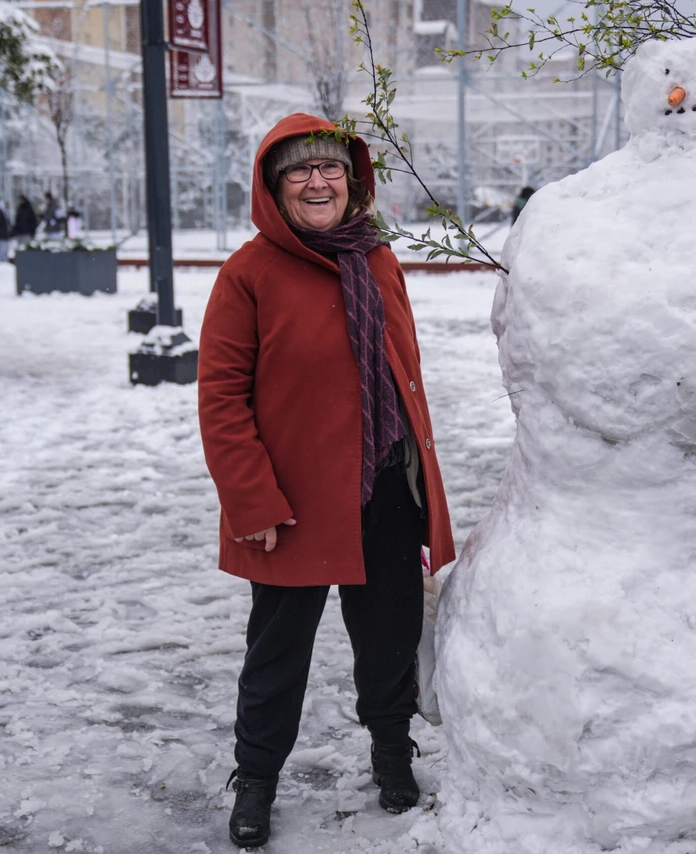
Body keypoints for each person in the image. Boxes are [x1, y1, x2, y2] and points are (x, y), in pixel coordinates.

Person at [197, 113, 456, 850]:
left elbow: (403, 376)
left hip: (383, 490)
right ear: (275, 188)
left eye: (331, 169)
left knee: (389, 640)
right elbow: (220, 398)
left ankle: (390, 752)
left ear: (354, 181)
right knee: (277, 654)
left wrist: (415, 482)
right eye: (300, 172)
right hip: (292, 504)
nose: (318, 181)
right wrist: (252, 501)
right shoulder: (248, 274)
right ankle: (255, 779)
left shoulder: (376, 259)